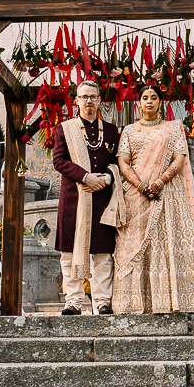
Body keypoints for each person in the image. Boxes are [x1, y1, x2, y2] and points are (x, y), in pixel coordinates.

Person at [112, 83, 194, 315]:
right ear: (139, 103)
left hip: (168, 193)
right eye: (145, 97)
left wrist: (160, 182)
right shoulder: (129, 130)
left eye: (153, 97)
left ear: (160, 103)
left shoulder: (172, 128)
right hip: (136, 194)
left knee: (171, 241)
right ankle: (135, 304)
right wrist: (140, 185)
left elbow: (179, 158)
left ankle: (183, 302)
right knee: (135, 244)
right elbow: (123, 161)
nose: (149, 101)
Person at [51, 80, 119, 315]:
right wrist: (85, 177)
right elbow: (59, 160)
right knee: (69, 253)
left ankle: (102, 301)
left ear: (100, 101)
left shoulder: (110, 131)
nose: (88, 101)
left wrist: (107, 179)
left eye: (93, 96)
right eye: (84, 97)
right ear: (77, 101)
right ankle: (74, 301)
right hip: (73, 199)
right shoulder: (65, 128)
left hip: (102, 198)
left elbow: (118, 163)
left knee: (102, 253)